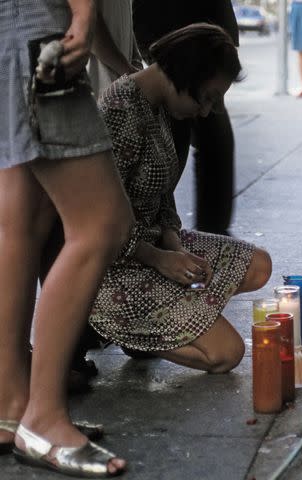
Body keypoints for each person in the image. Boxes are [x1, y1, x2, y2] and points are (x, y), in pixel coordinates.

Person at [0, 0, 135, 476]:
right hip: (35, 28)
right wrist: (83, 13)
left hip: (11, 29)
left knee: (25, 217)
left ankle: (11, 402)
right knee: (102, 221)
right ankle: (43, 419)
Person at [89, 23, 272, 373]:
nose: (205, 113)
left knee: (259, 265)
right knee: (226, 355)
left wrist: (174, 244)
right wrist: (158, 258)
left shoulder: (158, 104)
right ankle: (136, 333)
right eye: (206, 98)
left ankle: (172, 319)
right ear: (185, 74)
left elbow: (161, 198)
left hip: (156, 250)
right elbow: (97, 222)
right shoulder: (119, 112)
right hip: (115, 270)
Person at [133, 0, 239, 236]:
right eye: (208, 99)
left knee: (213, 139)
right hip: (174, 36)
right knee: (178, 141)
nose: (204, 109)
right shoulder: (124, 106)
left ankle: (202, 234)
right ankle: (158, 232)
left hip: (208, 32)